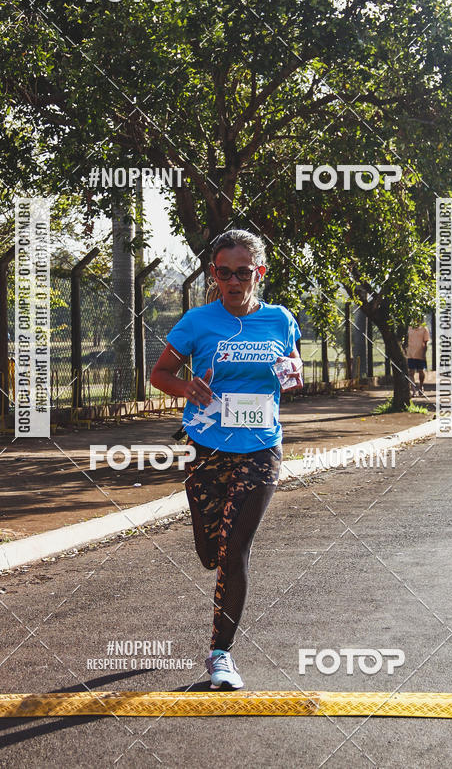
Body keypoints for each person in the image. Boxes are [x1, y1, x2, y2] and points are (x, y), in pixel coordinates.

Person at [151, 229, 303, 690]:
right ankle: (216, 577)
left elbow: (293, 366)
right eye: (223, 272)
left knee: (235, 551)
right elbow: (160, 373)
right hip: (206, 448)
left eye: (242, 272)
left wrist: (292, 373)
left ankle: (221, 655)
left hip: (261, 449)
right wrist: (188, 387)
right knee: (208, 552)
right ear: (213, 274)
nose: (233, 281)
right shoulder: (197, 323)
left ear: (258, 273)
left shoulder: (280, 320)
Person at [406, 322, 430, 395]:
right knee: (411, 372)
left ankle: (421, 387)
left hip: (420, 354)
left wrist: (424, 353)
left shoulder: (424, 329)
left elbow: (425, 343)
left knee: (421, 371)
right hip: (410, 353)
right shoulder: (409, 328)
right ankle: (413, 390)